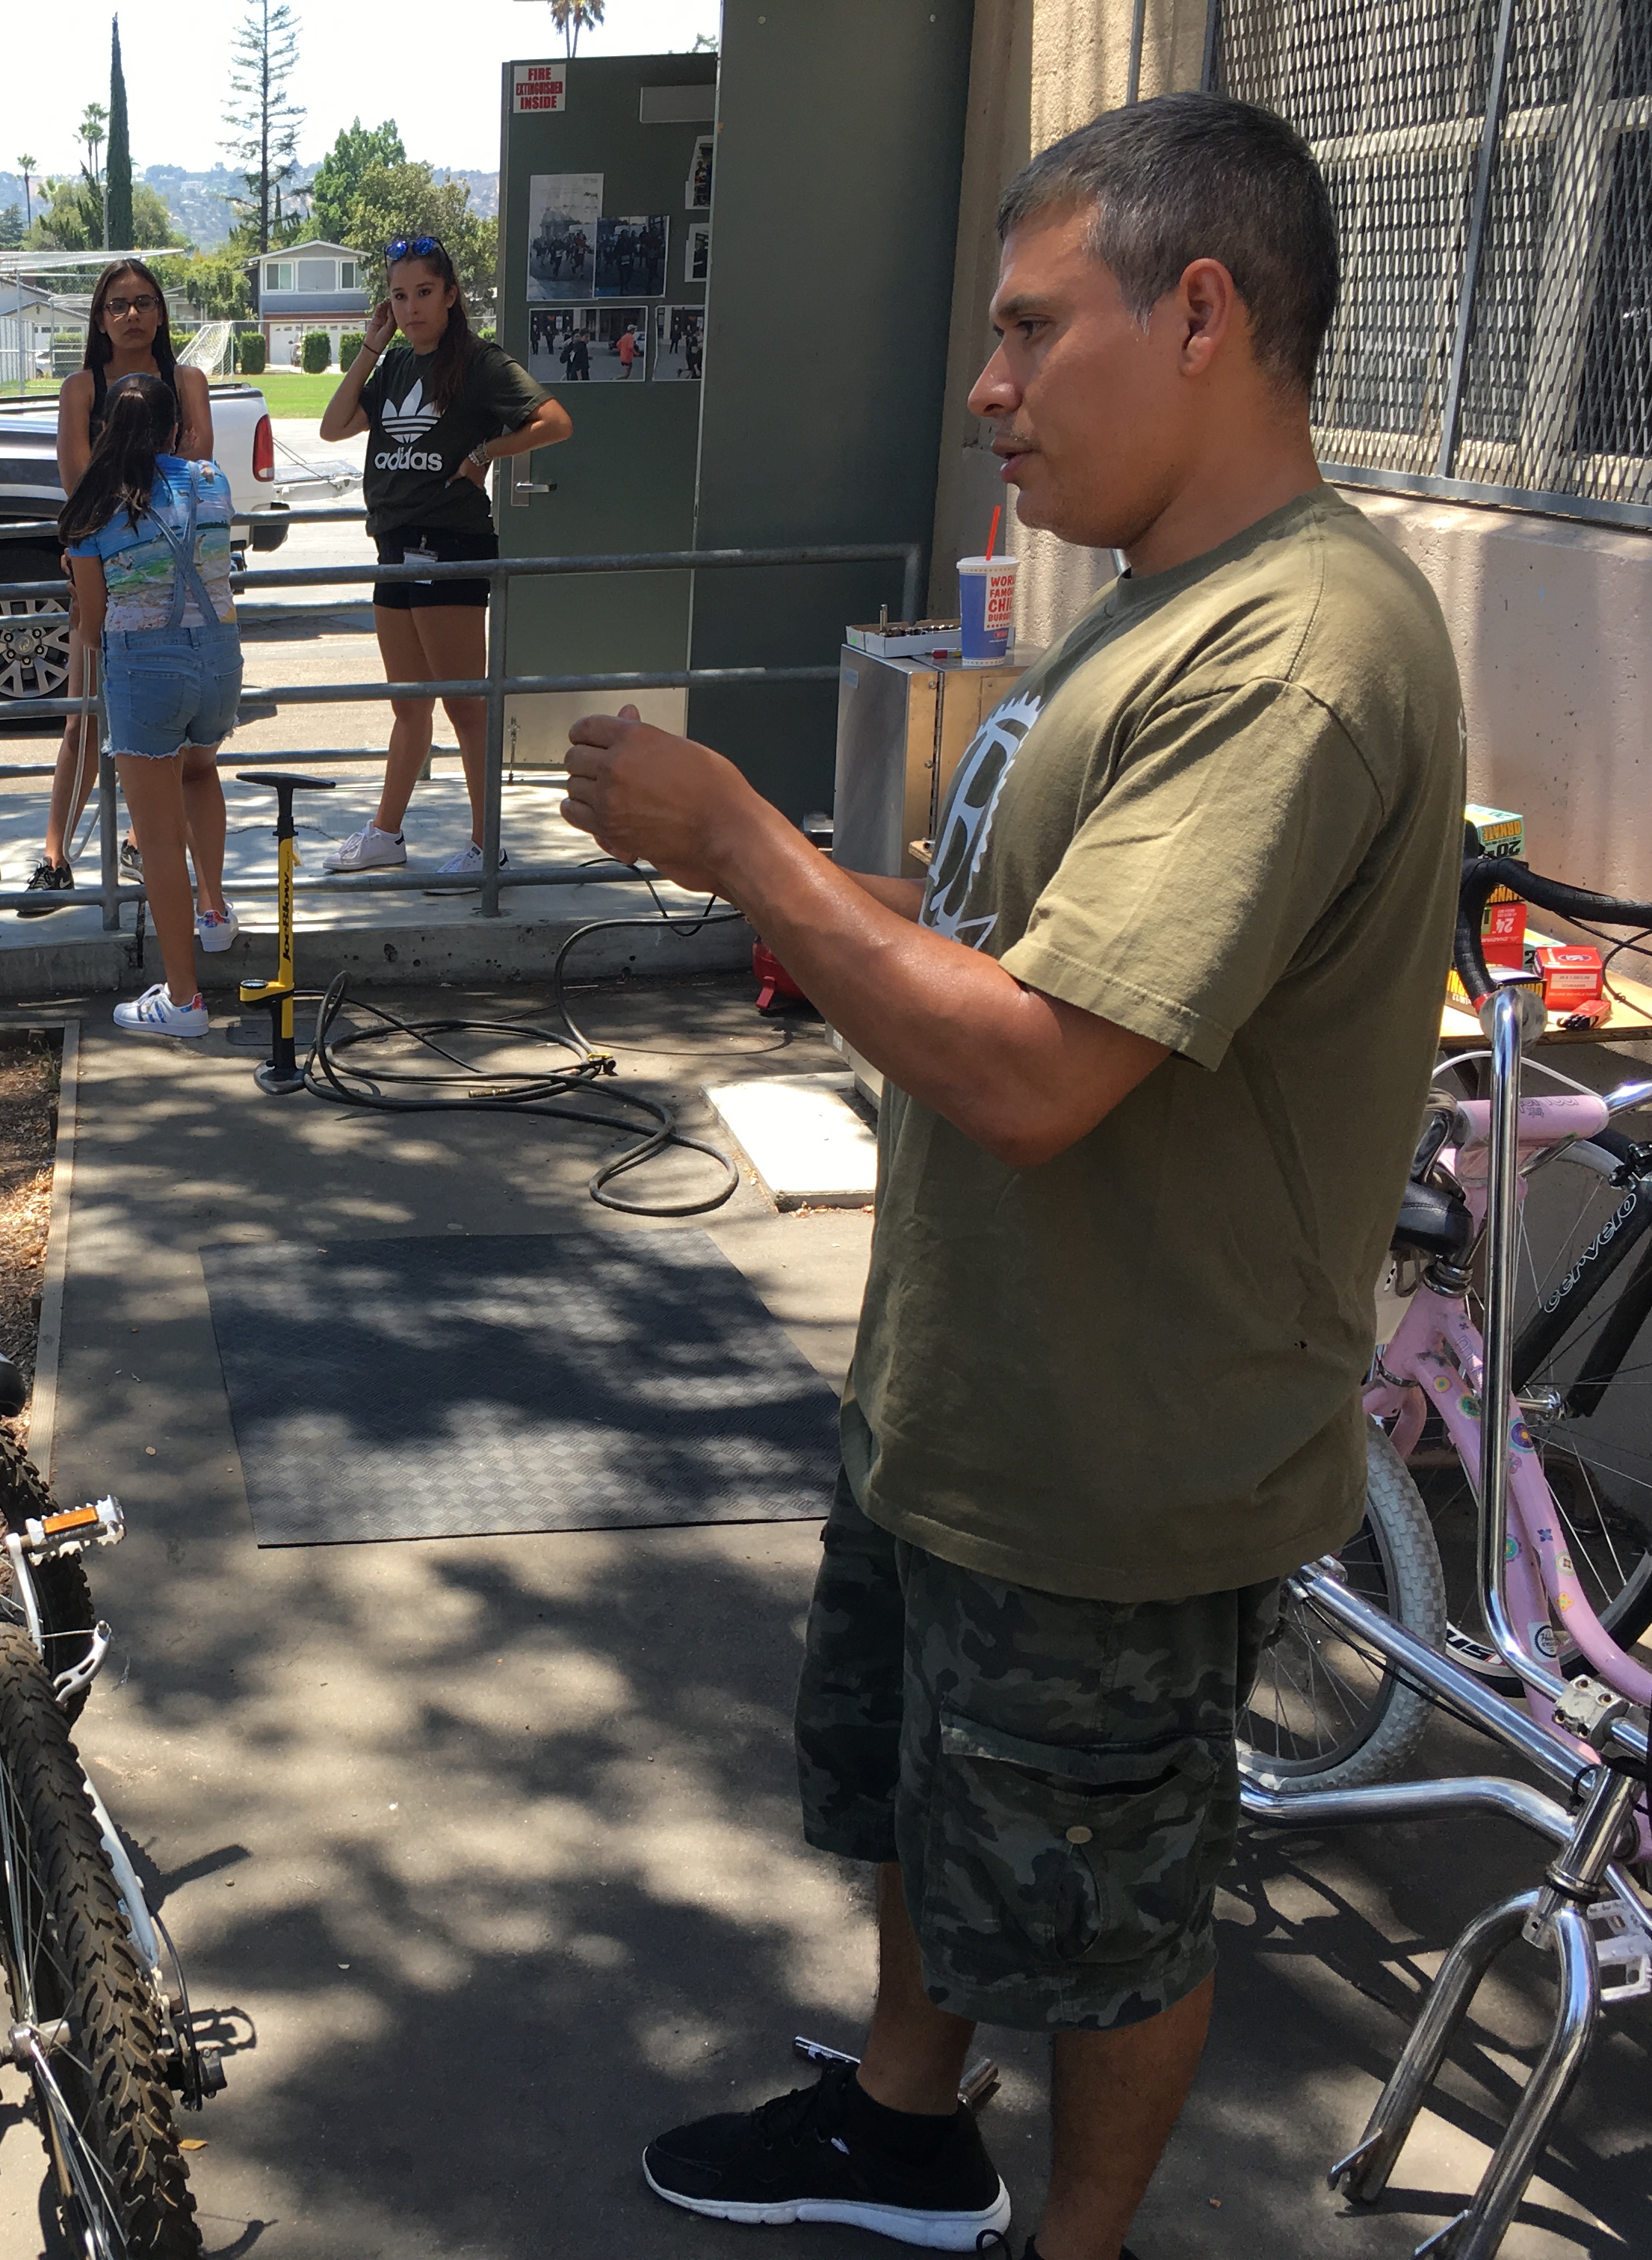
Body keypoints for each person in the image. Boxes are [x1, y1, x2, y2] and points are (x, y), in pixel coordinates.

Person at [561, 96, 1462, 2260]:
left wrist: (750, 852)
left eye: (1031, 332)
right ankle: (899, 2123)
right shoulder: (1162, 602)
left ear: (1207, 312)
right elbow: (1017, 938)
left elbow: (1048, 1070)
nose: (987, 389)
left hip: (1121, 1461)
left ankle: (1078, 2243)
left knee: (1101, 1908)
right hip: (979, 1401)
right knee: (923, 1801)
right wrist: (799, 875)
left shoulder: (1300, 653)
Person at [315, 237, 572, 878]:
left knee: (465, 706)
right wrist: (372, 345)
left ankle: (490, 848)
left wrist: (484, 454)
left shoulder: (480, 363)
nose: (411, 307)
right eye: (399, 296)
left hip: (449, 542)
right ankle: (386, 833)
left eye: (424, 293)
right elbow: (333, 424)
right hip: (393, 543)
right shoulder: (397, 364)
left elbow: (555, 421)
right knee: (409, 705)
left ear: (451, 294)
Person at [19, 259, 214, 916]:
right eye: (117, 304)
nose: (131, 314)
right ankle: (54, 856)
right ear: (100, 318)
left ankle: (141, 842)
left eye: (143, 302)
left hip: (175, 595)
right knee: (82, 719)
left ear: (161, 312)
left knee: (173, 740)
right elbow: (80, 482)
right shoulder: (81, 389)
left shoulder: (188, 383)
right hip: (103, 573)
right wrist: (98, 554)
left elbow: (194, 471)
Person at [61, 372, 243, 1039]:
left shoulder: (93, 507)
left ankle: (185, 1001)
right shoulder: (212, 481)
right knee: (200, 773)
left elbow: (91, 622)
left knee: (159, 841)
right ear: (174, 430)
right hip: (221, 658)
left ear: (106, 430)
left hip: (146, 667)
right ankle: (215, 913)